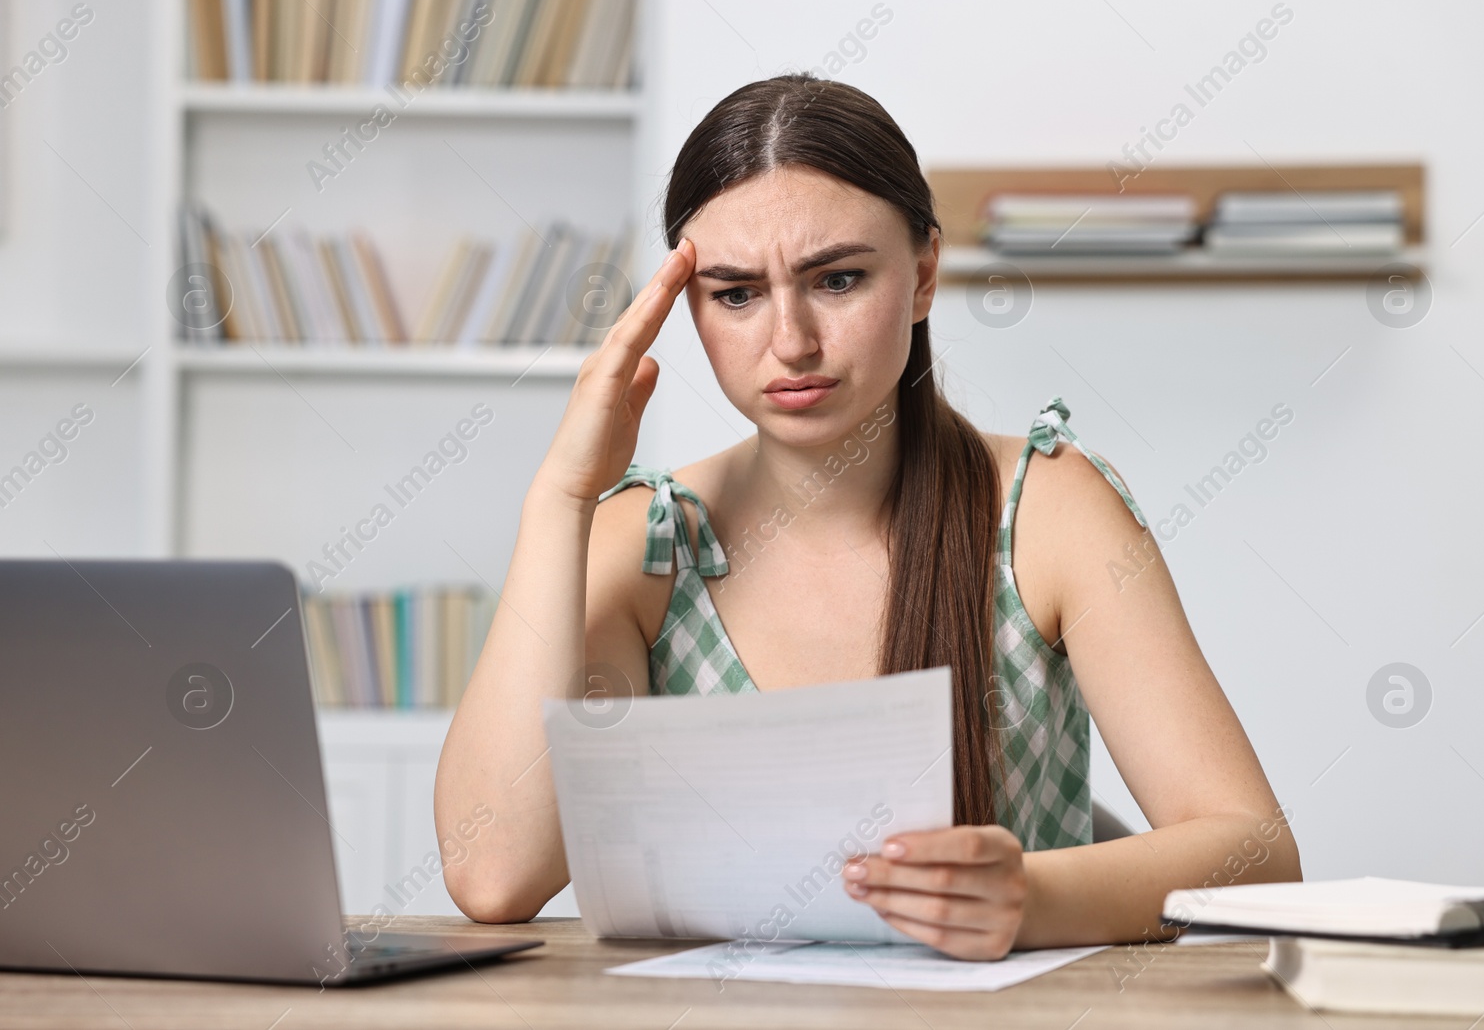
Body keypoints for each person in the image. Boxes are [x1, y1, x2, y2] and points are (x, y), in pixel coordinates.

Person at [434, 74, 1300, 960]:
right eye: (735, 293)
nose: (792, 341)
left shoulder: (1050, 510)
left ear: (924, 274)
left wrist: (1030, 897)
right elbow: (495, 874)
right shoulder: (648, 541)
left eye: (838, 279)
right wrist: (560, 500)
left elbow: (1258, 855)